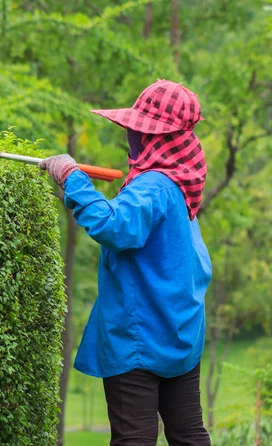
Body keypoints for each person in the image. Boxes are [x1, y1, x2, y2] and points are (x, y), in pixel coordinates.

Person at [39, 80, 212, 446]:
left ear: (155, 137)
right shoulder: (180, 186)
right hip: (180, 335)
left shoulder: (153, 187)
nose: (132, 137)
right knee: (189, 436)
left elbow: (113, 226)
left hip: (140, 340)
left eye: (139, 130)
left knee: (134, 439)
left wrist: (73, 179)